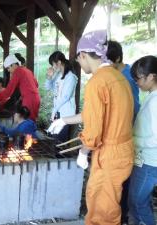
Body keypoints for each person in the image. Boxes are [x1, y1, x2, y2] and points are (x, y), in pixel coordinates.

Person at [48, 30, 134, 225]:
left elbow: (94, 131)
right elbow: (96, 114)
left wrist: (83, 151)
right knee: (109, 203)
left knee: (102, 211)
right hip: (122, 150)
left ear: (84, 55)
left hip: (109, 154)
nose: (78, 63)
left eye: (78, 59)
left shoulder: (97, 82)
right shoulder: (118, 77)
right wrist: (64, 120)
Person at [106, 40, 140, 225]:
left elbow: (133, 107)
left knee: (124, 178)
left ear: (118, 58)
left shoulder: (127, 76)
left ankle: (123, 216)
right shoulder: (111, 74)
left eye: (109, 60)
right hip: (114, 134)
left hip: (125, 134)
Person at [128, 56, 157, 225]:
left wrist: (132, 140)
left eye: (138, 78)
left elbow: (155, 139)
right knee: (137, 201)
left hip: (149, 162)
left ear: (151, 76)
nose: (136, 82)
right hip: (145, 159)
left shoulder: (155, 101)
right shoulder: (151, 96)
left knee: (138, 202)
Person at [0, 54, 40, 121]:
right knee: (31, 121)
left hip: (29, 99)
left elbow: (9, 90)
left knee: (27, 122)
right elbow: (36, 84)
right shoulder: (27, 70)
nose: (8, 70)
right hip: (36, 99)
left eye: (8, 68)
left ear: (13, 64)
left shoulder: (18, 71)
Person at [45, 51, 78, 142]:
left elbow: (65, 97)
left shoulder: (71, 77)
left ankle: (60, 156)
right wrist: (48, 76)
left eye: (53, 64)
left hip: (66, 113)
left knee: (60, 140)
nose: (53, 67)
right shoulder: (58, 75)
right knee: (56, 138)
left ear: (59, 63)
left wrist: (54, 110)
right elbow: (48, 87)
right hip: (58, 111)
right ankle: (57, 155)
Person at [107, 40, 140, 121]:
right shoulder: (114, 73)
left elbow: (133, 103)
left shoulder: (129, 76)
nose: (106, 65)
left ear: (117, 58)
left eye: (108, 62)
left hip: (131, 117)